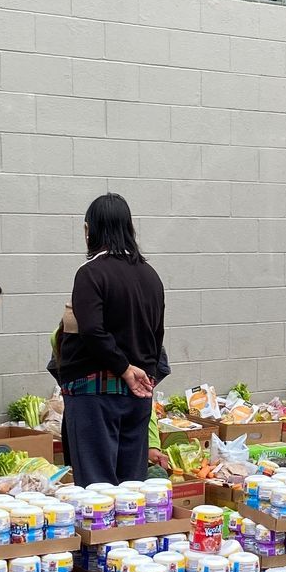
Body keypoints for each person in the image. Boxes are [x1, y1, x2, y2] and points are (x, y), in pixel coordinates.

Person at [50, 193, 165, 485]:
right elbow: (157, 334)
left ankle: (103, 533)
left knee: (97, 487)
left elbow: (92, 331)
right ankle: (131, 532)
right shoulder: (151, 275)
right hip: (138, 394)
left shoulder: (91, 273)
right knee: (131, 487)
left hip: (94, 395)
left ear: (90, 230)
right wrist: (143, 375)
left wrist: (124, 369)